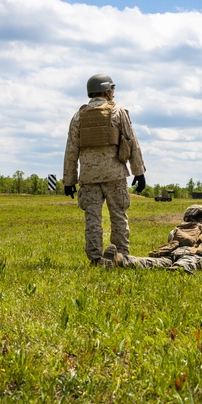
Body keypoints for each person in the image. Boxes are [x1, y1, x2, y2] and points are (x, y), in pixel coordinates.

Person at [63, 73, 147, 267]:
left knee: (92, 218)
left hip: (88, 177)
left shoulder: (78, 116)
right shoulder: (118, 112)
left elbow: (71, 149)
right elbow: (131, 142)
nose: (113, 94)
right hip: (114, 174)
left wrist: (69, 180)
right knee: (118, 216)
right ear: (105, 91)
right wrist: (139, 172)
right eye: (112, 90)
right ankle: (121, 257)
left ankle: (95, 258)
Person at [107, 204, 202, 274]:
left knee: (153, 262)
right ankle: (178, 269)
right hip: (195, 255)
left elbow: (171, 241)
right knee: (190, 262)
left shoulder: (177, 230)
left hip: (173, 254)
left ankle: (121, 259)